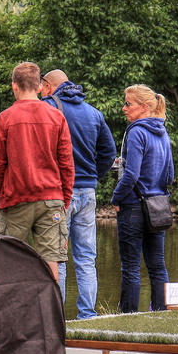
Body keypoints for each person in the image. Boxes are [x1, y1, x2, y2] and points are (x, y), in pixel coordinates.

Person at [40, 69, 116, 319]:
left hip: (60, 193)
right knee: (86, 258)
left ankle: (57, 316)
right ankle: (87, 315)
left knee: (57, 256)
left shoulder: (47, 108)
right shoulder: (93, 112)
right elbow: (108, 152)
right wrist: (94, 175)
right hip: (87, 192)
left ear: (48, 86)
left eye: (42, 88)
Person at [0, 62, 74, 280]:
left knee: (6, 259)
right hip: (51, 197)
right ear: (39, 87)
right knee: (50, 260)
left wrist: (1, 199)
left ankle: (11, 312)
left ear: (14, 86)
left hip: (16, 199)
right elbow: (66, 164)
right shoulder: (56, 117)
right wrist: (64, 200)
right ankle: (53, 313)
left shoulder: (5, 118)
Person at [110, 85, 174, 313]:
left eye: (128, 104)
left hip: (133, 207)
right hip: (158, 206)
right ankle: (160, 312)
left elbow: (131, 174)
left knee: (131, 267)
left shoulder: (136, 131)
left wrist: (115, 198)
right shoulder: (163, 133)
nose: (124, 108)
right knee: (157, 266)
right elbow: (170, 175)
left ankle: (128, 316)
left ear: (144, 107)